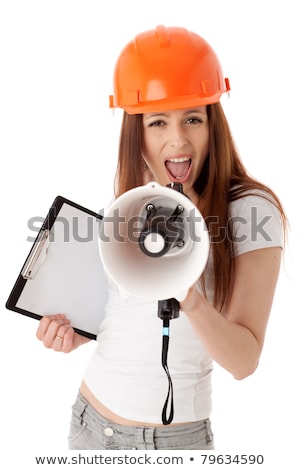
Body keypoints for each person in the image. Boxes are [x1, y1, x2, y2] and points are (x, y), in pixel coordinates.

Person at [36, 25, 287, 450]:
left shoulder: (250, 211)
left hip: (175, 442)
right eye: (157, 122)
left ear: (213, 125)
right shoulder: (136, 198)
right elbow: (125, 308)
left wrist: (187, 297)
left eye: (193, 118)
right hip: (90, 421)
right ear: (137, 132)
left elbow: (244, 362)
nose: (177, 139)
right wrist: (82, 332)